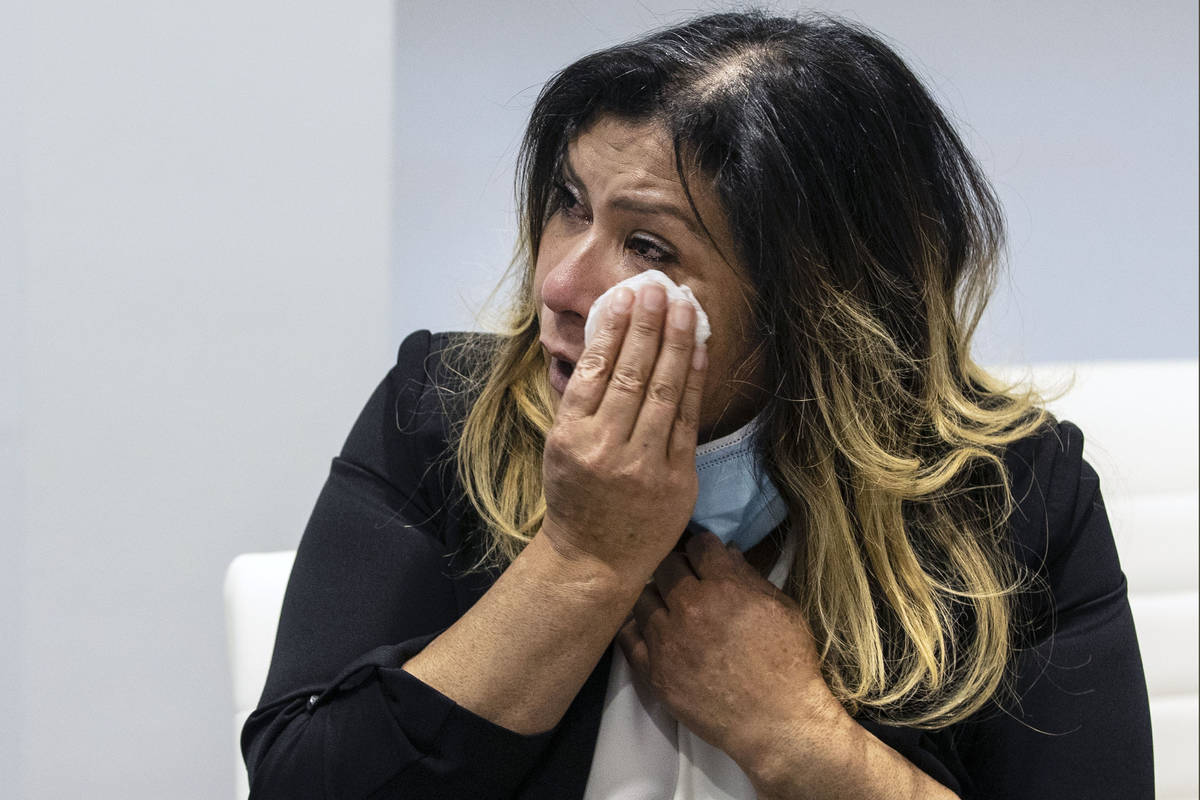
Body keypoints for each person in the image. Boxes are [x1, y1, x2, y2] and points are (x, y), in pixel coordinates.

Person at [242, 10, 1153, 799]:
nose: (560, 283)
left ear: (816, 309)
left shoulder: (1011, 495)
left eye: (647, 246)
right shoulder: (443, 411)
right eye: (568, 202)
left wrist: (799, 736)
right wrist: (581, 560)